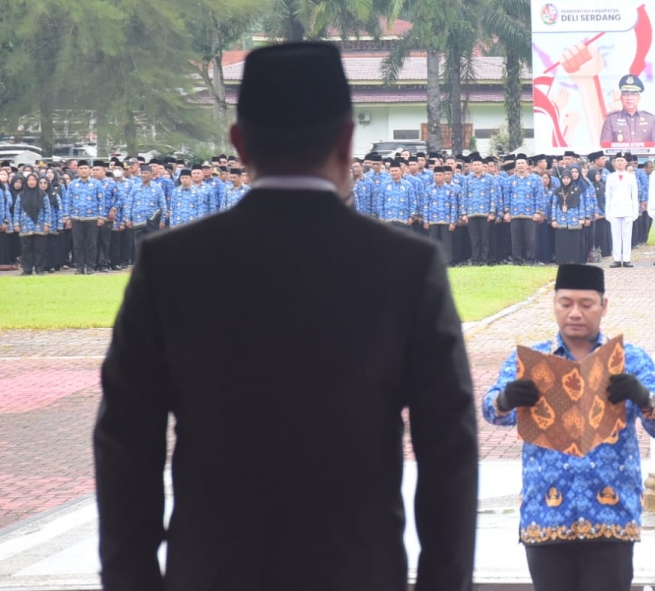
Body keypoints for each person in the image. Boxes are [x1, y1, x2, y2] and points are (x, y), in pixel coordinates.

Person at [94, 42, 478, 591]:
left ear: (239, 143)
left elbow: (125, 445)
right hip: (358, 570)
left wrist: (132, 581)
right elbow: (449, 448)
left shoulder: (171, 265)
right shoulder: (407, 266)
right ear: (347, 141)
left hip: (213, 570)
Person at [482, 264, 655, 591]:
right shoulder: (532, 361)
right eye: (566, 303)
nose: (575, 313)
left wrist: (644, 398)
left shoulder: (629, 359)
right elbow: (492, 411)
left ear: (604, 305)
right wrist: (505, 399)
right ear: (554, 304)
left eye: (586, 305)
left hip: (611, 517)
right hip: (546, 515)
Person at [551, 165, 594, 265]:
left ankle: (575, 259)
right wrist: (553, 219)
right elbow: (554, 205)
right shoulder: (557, 191)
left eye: (568, 178)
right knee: (562, 241)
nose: (566, 180)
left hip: (574, 220)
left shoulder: (578, 190)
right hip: (561, 220)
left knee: (575, 241)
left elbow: (581, 205)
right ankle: (562, 260)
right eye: (564, 178)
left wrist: (582, 218)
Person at [506, 154, 543, 265]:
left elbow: (539, 196)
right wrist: (507, 212)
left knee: (530, 239)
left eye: (523, 163)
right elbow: (507, 196)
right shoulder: (510, 180)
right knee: (516, 240)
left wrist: (538, 212)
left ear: (527, 165)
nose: (520, 165)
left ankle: (530, 260)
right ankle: (517, 260)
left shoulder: (535, 179)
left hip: (530, 214)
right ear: (515, 166)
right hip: (515, 214)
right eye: (518, 163)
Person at [599, 74, 655, 145]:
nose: (629, 98)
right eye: (626, 94)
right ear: (621, 97)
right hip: (620, 156)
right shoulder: (611, 120)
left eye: (633, 94)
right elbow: (605, 148)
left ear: (639, 98)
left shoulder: (650, 119)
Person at [604, 152, 639, 267]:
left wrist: (635, 211)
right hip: (614, 210)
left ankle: (627, 259)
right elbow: (608, 196)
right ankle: (617, 259)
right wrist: (607, 212)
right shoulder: (610, 177)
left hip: (628, 209)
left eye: (622, 161)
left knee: (627, 235)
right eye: (617, 160)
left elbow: (634, 195)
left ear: (626, 162)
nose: (620, 163)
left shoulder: (631, 177)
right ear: (614, 163)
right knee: (616, 235)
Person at [424, 164, 462, 263]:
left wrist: (452, 222)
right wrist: (426, 221)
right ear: (433, 176)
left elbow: (453, 206)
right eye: (436, 175)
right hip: (432, 220)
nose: (438, 177)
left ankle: (448, 261)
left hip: (446, 219)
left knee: (447, 243)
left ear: (444, 176)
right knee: (433, 242)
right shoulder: (428, 189)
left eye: (440, 175)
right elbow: (426, 206)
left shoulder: (450, 189)